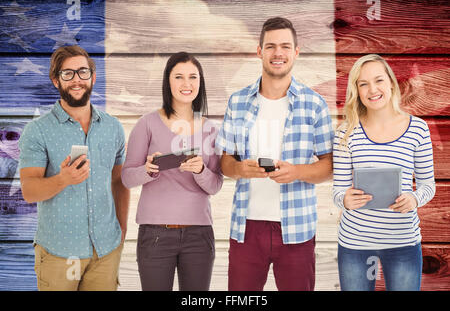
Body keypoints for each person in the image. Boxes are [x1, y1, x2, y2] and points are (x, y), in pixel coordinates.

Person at [215, 17, 334, 291]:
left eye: (284, 46)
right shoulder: (238, 101)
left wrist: (298, 172)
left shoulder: (314, 104)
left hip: (297, 228)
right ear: (259, 51)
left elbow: (329, 165)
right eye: (270, 46)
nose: (277, 53)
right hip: (247, 227)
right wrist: (239, 169)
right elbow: (225, 161)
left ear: (296, 51)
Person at [18, 45, 130, 291]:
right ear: (55, 80)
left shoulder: (113, 127)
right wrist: (63, 179)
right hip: (59, 252)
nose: (77, 80)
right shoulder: (37, 131)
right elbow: (29, 190)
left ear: (93, 76)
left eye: (82, 72)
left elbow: (119, 182)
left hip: (106, 250)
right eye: (67, 74)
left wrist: (121, 230)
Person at [332, 54, 436, 291]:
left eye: (378, 80)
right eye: (363, 84)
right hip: (355, 244)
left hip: (403, 242)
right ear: (356, 91)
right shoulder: (345, 132)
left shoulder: (418, 129)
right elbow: (338, 191)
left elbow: (428, 184)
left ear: (390, 82)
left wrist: (415, 198)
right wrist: (345, 200)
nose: (372, 90)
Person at [121, 52, 223, 291]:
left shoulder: (211, 129)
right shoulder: (146, 124)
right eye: (179, 77)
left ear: (201, 82)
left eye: (193, 77)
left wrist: (200, 170)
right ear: (168, 82)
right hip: (155, 236)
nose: (186, 84)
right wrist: (149, 170)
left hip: (199, 235)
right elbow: (126, 177)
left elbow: (216, 184)